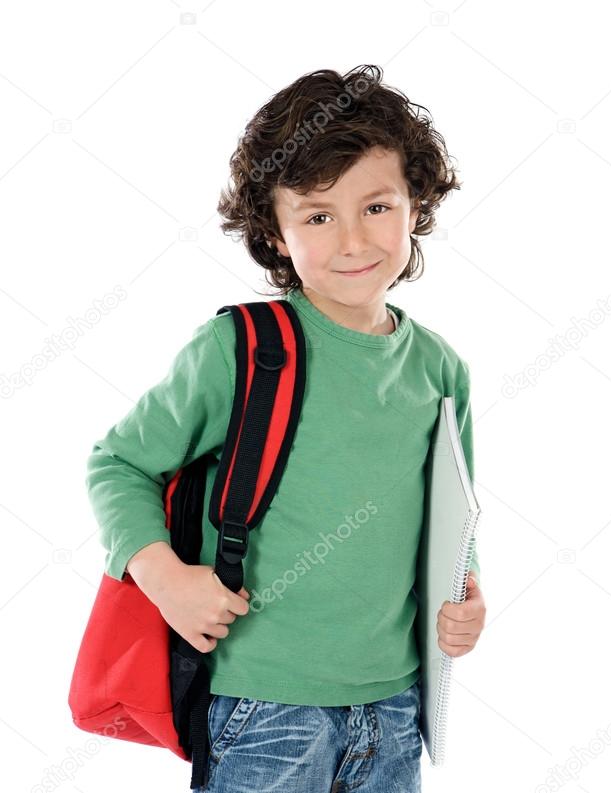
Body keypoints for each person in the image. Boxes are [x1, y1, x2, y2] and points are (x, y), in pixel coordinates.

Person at [85, 65, 485, 792]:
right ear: (274, 230)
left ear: (416, 204)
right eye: (318, 215)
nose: (353, 240)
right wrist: (165, 576)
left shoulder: (440, 369)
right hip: (264, 706)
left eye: (377, 205)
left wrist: (470, 589)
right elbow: (117, 462)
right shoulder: (237, 350)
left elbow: (454, 517)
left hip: (396, 709)